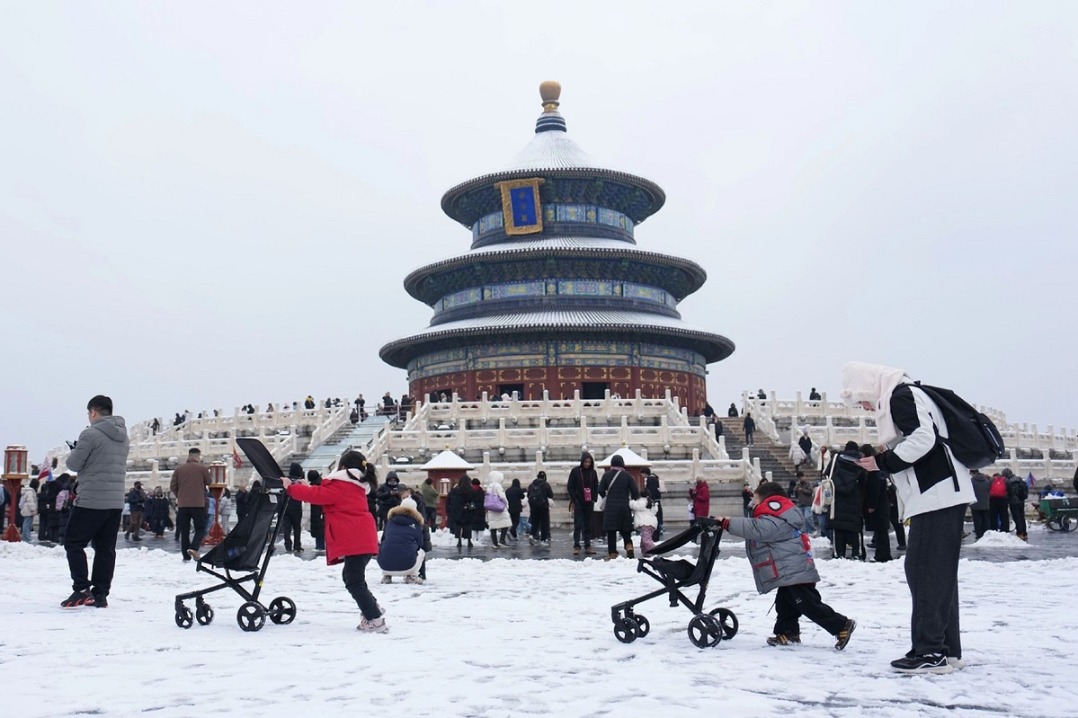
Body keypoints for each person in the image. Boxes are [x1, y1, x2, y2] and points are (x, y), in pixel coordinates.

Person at [843, 361, 975, 673]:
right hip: (945, 493)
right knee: (939, 574)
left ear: (866, 386)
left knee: (924, 571)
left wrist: (882, 462)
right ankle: (947, 650)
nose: (864, 407)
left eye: (860, 400)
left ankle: (929, 652)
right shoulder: (912, 393)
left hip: (936, 495)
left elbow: (922, 439)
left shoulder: (899, 396)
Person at [714, 481, 856, 650]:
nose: (753, 504)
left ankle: (841, 625)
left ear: (767, 500)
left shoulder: (776, 517)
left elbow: (759, 529)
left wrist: (727, 523)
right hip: (790, 570)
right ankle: (788, 633)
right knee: (785, 604)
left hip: (794, 570)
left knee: (807, 603)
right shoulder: (781, 515)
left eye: (755, 500)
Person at [283, 450, 386, 632]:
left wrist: (290, 488)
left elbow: (318, 496)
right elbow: (323, 493)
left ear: (343, 467)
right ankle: (372, 608)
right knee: (352, 578)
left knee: (354, 581)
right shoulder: (353, 485)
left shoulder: (342, 485)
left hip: (357, 540)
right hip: (362, 539)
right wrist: (306, 486)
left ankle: (375, 618)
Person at [61, 395, 130, 608]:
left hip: (91, 499)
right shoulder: (124, 436)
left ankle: (82, 588)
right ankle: (100, 594)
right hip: (115, 501)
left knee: (73, 542)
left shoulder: (90, 434)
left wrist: (75, 450)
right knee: (105, 549)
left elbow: (73, 464)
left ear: (93, 412)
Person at [170, 447, 211, 562]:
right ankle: (194, 548)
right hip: (198, 504)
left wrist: (180, 496)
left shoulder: (179, 469)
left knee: (185, 531)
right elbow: (209, 482)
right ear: (198, 456)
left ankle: (185, 556)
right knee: (200, 528)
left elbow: (173, 486)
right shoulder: (202, 468)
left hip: (183, 505)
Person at [824, 443, 863, 558]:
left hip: (837, 499)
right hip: (854, 499)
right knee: (854, 528)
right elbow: (864, 479)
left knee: (838, 528)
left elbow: (827, 474)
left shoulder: (836, 458)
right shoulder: (860, 460)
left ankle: (839, 554)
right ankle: (856, 553)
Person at [598, 455, 640, 559]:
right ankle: (629, 546)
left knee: (611, 531)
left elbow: (600, 490)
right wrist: (632, 500)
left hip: (611, 507)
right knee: (625, 530)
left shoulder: (606, 475)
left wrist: (606, 496)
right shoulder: (627, 476)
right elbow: (635, 492)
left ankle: (612, 553)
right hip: (624, 506)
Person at [378, 496, 426, 583]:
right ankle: (411, 576)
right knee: (421, 552)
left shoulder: (390, 522)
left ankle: (387, 576)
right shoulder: (416, 524)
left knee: (386, 547)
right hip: (408, 566)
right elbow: (420, 543)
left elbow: (383, 539)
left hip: (384, 566)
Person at [861, 444, 892, 562]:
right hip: (881, 505)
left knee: (881, 531)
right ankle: (882, 554)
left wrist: (871, 505)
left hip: (879, 506)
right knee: (881, 531)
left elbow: (875, 489)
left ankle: (882, 555)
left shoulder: (874, 470)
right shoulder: (878, 466)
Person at [567, 452, 599, 555]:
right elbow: (570, 486)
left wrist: (594, 498)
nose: (587, 464)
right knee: (578, 524)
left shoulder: (593, 472)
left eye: (589, 462)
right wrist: (575, 499)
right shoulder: (576, 471)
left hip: (589, 501)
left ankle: (587, 545)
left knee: (588, 524)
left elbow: (596, 486)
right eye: (586, 462)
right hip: (579, 501)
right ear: (582, 461)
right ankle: (576, 546)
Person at [281, 463, 305, 553]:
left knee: (287, 527)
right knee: (297, 527)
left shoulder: (285, 480)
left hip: (286, 506)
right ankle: (297, 545)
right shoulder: (299, 481)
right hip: (296, 506)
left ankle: (288, 545)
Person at [484, 471, 512, 548]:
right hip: (499, 508)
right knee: (505, 524)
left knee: (493, 526)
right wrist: (506, 503)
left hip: (491, 508)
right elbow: (502, 496)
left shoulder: (489, 486)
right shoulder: (498, 486)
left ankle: (495, 543)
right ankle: (502, 540)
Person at [447, 476, 475, 549]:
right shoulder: (471, 490)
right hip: (468, 511)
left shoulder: (455, 491)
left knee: (458, 526)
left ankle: (459, 541)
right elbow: (473, 501)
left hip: (458, 511)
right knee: (468, 526)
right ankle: (469, 540)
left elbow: (451, 501)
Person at [526, 471, 553, 545]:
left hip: (533, 507)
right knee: (544, 523)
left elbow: (528, 495)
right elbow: (551, 495)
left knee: (534, 522)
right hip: (543, 506)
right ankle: (543, 540)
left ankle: (532, 535)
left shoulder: (532, 485)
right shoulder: (546, 484)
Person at [1005, 469, 1029, 541]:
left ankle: (1019, 533)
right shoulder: (1020, 480)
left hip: (1014, 501)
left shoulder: (1010, 481)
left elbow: (1011, 492)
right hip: (1021, 501)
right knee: (1022, 517)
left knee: (1017, 518)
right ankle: (1024, 533)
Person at [792, 471, 816, 536]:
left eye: (801, 477)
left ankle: (812, 530)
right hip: (801, 503)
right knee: (802, 519)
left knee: (808, 517)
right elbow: (795, 493)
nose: (800, 479)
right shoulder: (798, 484)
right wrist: (796, 490)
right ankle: (805, 532)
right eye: (799, 478)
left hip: (808, 503)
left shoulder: (808, 484)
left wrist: (802, 490)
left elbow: (810, 492)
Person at [305, 471, 325, 552]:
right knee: (320, 528)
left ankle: (320, 546)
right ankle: (320, 545)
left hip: (317, 510)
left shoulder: (315, 486)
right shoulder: (321, 484)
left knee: (319, 528)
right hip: (320, 510)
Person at [969, 469, 991, 539]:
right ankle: (986, 534)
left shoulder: (972, 481)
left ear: (972, 473)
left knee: (977, 520)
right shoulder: (986, 481)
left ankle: (979, 534)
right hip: (985, 504)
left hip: (975, 504)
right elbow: (989, 491)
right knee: (985, 519)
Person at [643, 466, 664, 539]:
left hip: (654, 501)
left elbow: (652, 491)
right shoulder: (654, 477)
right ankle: (657, 533)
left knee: (655, 517)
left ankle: (655, 535)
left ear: (645, 473)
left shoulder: (651, 479)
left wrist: (650, 499)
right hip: (656, 500)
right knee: (658, 517)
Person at [20, 478, 39, 543]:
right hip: (28, 509)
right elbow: (30, 501)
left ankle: (25, 537)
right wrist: (33, 509)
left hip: (26, 508)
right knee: (27, 524)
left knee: (26, 523)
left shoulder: (27, 490)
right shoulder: (30, 491)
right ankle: (27, 538)